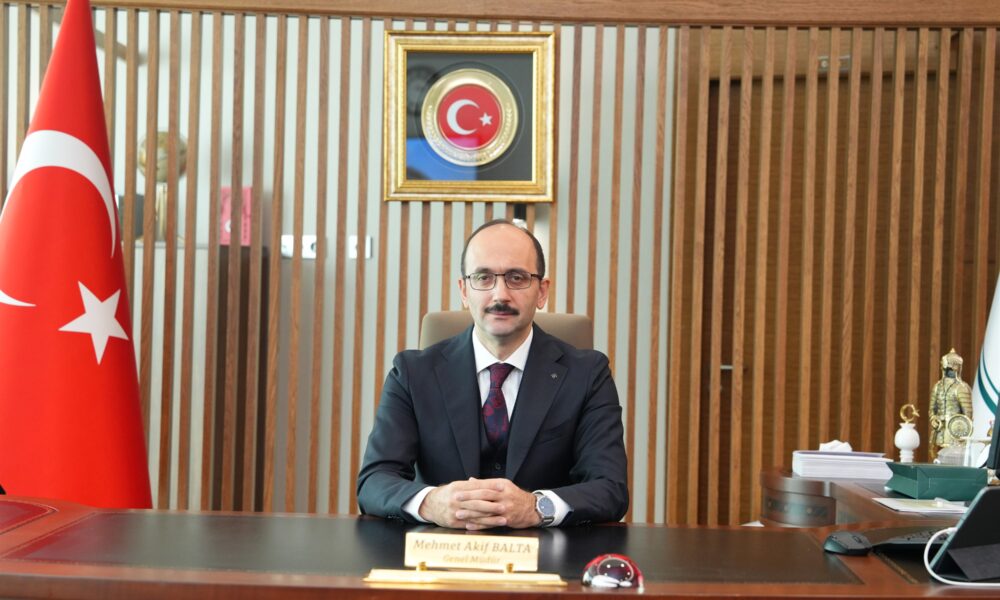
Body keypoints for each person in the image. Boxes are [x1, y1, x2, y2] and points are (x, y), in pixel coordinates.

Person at [357, 219, 628, 529]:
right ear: (464, 290)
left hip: (549, 553)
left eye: (517, 278)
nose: (500, 295)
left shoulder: (588, 375)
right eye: (483, 277)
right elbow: (374, 481)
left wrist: (535, 507)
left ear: (542, 292)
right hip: (439, 550)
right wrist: (433, 503)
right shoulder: (412, 373)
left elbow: (611, 488)